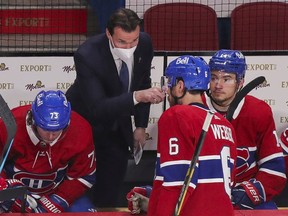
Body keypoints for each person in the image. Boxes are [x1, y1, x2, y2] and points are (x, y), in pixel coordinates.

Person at [65, 8, 165, 207]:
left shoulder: (144, 44)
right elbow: (97, 108)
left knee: (112, 183)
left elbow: (143, 81)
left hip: (117, 122)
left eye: (133, 41)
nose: (129, 47)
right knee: (82, 188)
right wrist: (137, 96)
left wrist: (140, 126)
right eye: (122, 42)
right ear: (109, 34)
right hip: (83, 123)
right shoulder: (87, 54)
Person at [128, 55, 238, 215]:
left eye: (169, 82)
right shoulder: (225, 125)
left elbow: (177, 183)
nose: (166, 90)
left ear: (180, 86)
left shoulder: (176, 115)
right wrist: (151, 203)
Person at [203, 49, 287, 209]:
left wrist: (249, 193)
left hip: (245, 196)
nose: (218, 85)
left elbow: (274, 168)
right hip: (207, 193)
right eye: (213, 77)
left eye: (226, 79)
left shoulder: (258, 111)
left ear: (240, 82)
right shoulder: (196, 110)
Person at [0, 90, 96, 213]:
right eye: (45, 129)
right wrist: (6, 188)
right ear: (33, 120)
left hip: (56, 190)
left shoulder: (80, 129)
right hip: (13, 189)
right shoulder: (8, 125)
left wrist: (56, 202)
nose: (51, 137)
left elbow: (84, 176)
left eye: (57, 130)